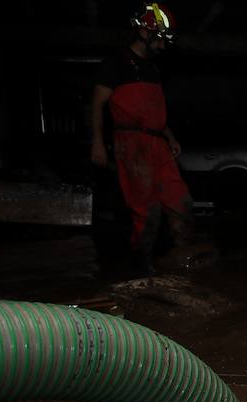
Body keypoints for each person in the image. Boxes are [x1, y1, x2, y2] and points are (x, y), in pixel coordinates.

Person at [91, 3, 193, 275]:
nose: (162, 47)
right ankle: (142, 267)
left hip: (156, 142)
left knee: (180, 201)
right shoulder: (117, 63)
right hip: (132, 143)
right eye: (160, 40)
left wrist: (168, 135)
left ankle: (182, 259)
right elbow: (98, 104)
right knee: (147, 210)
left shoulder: (153, 70)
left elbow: (154, 110)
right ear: (146, 33)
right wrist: (97, 142)